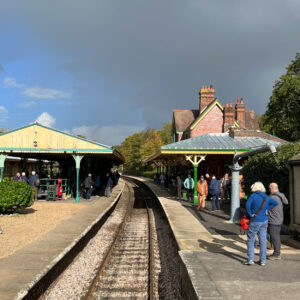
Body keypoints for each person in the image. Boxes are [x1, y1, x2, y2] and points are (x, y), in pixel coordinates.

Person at [244, 182, 278, 266]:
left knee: (251, 239)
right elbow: (275, 203)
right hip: (264, 220)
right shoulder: (266, 197)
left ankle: (250, 259)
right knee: (263, 240)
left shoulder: (253, 196)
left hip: (255, 220)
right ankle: (262, 261)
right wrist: (266, 208)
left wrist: (250, 214)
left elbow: (247, 205)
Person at [267, 183, 288, 260]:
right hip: (280, 219)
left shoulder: (271, 197)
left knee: (275, 237)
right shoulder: (281, 195)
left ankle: (276, 254)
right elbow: (286, 202)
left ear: (272, 188)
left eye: (269, 188)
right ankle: (276, 252)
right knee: (277, 237)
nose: (269, 190)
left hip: (273, 220)